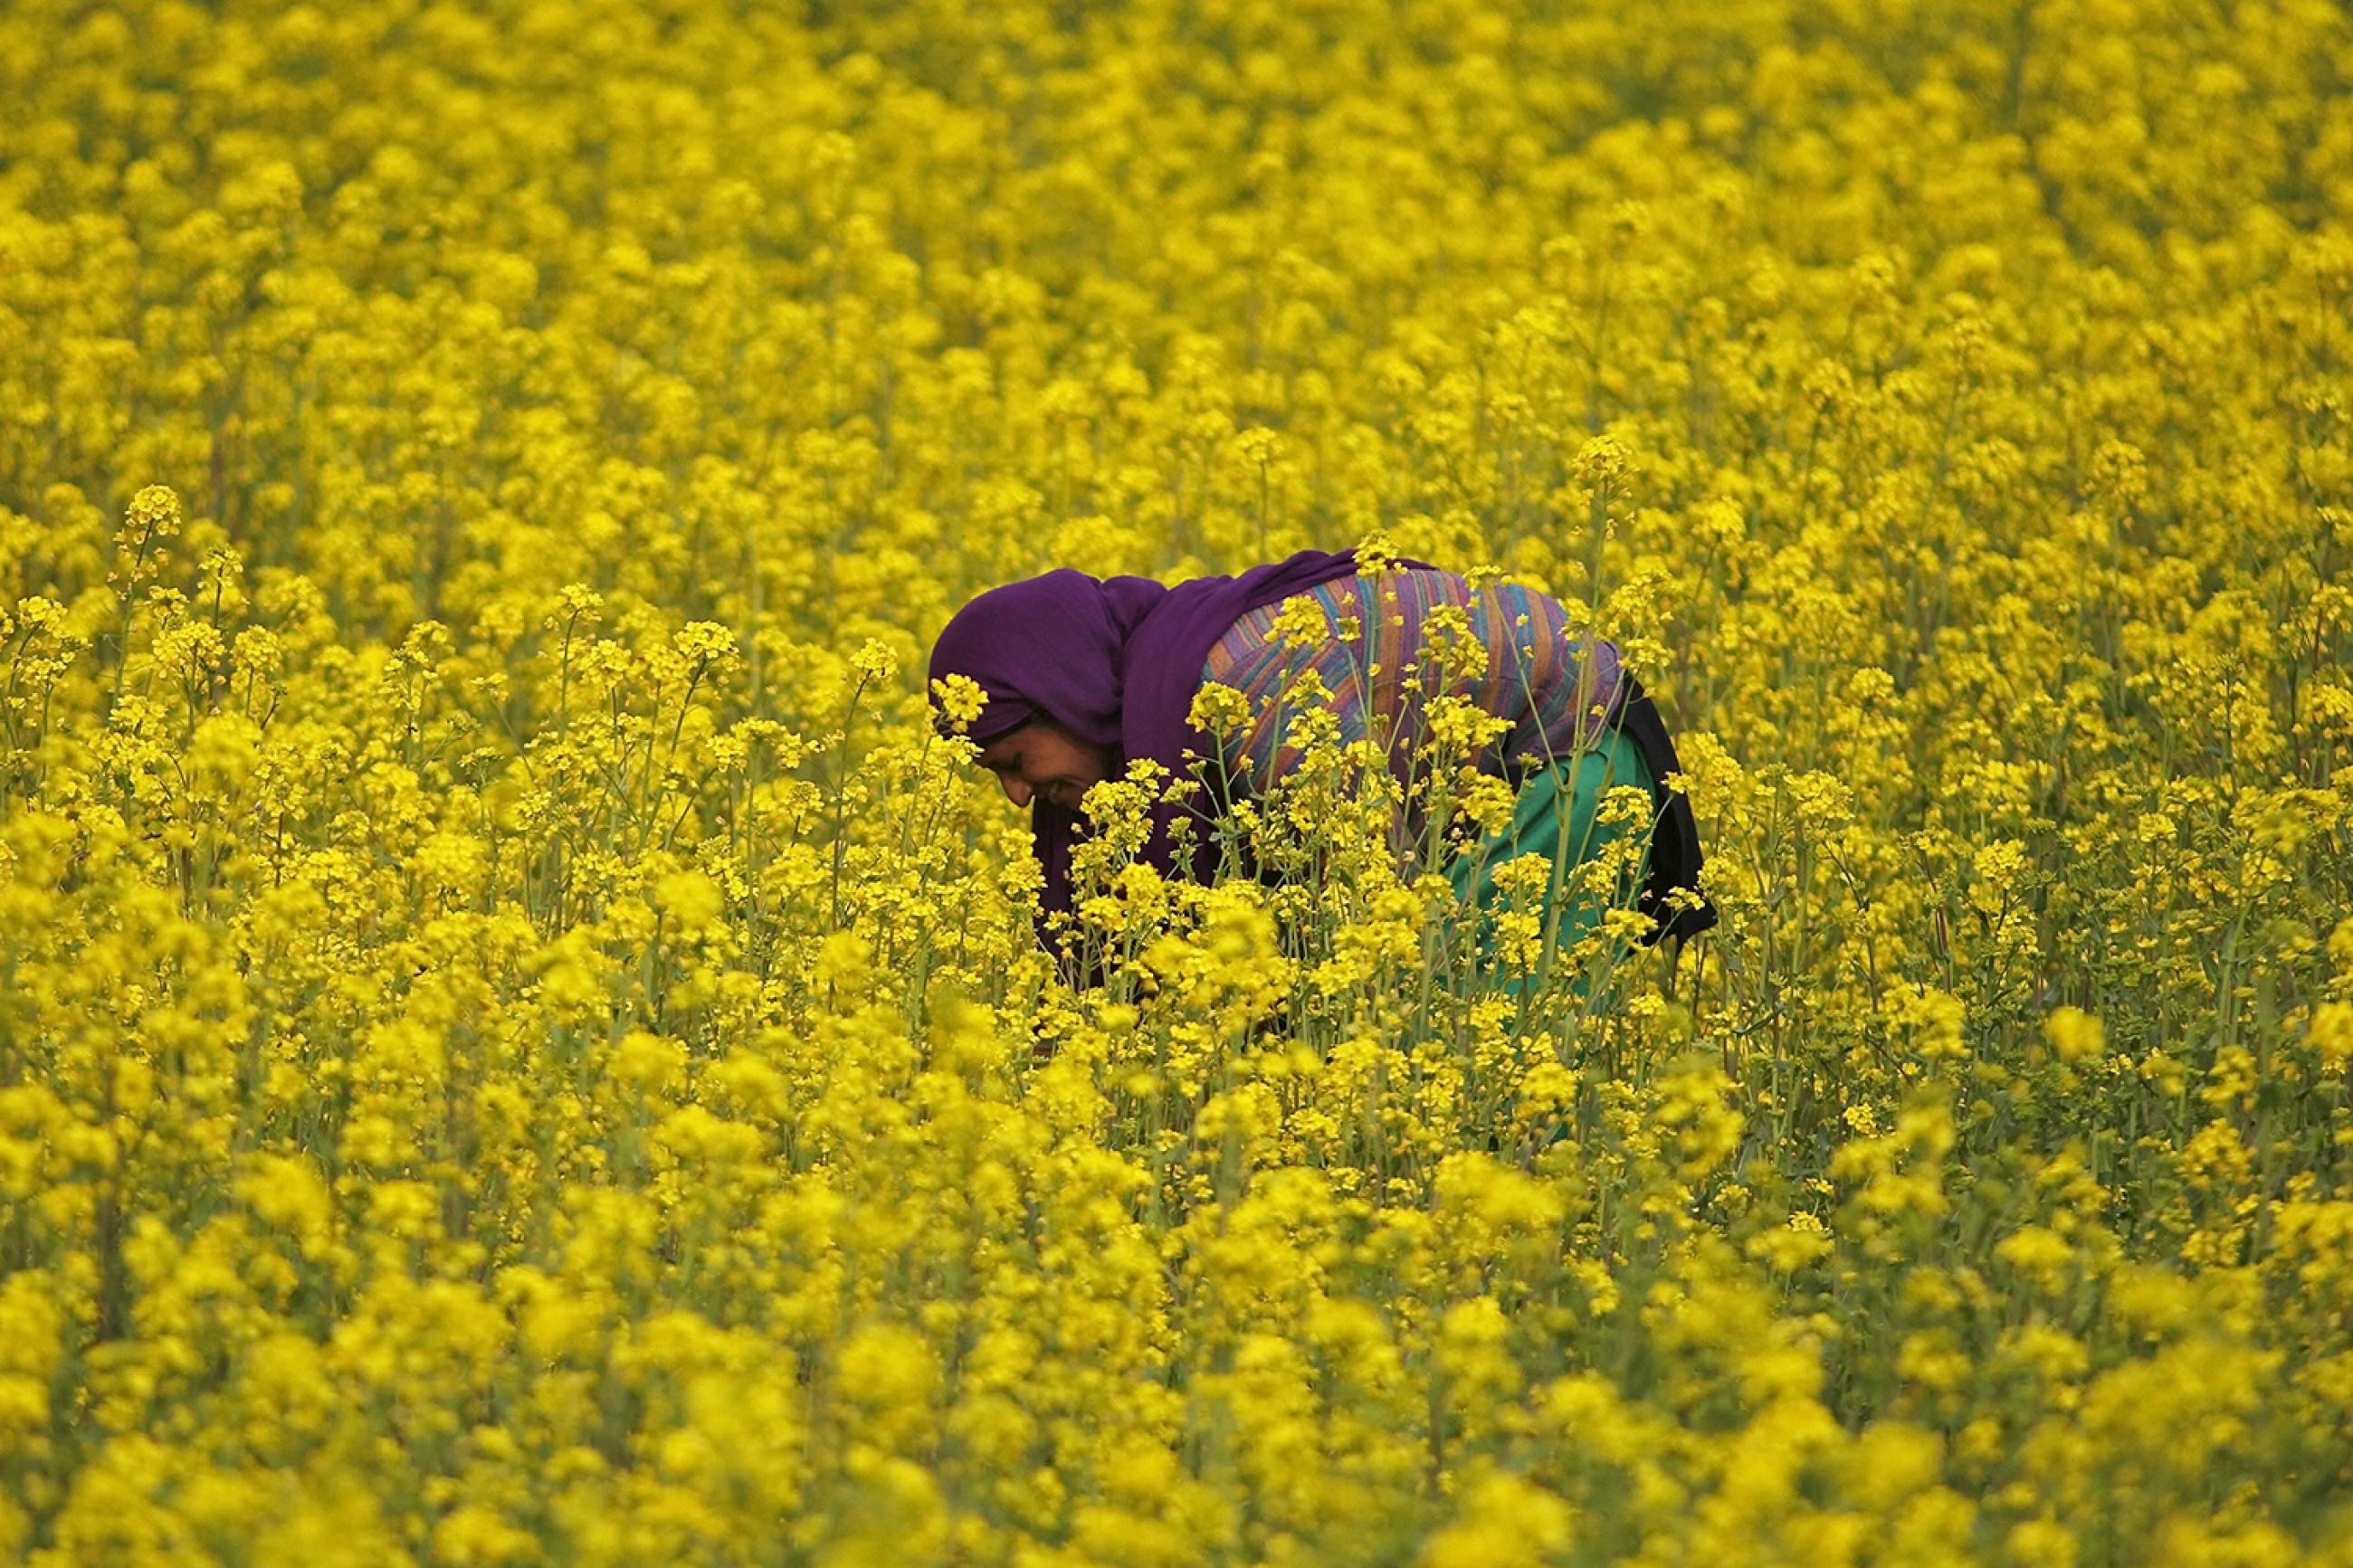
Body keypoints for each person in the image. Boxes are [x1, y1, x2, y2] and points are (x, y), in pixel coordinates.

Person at [926, 546, 1715, 987]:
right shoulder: (1160, 712)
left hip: (1564, 766)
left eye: (1014, 758)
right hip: (1474, 801)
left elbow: (1380, 892)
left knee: (1470, 1038)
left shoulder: (1245, 684)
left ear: (1067, 695)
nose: (1017, 794)